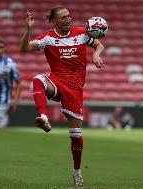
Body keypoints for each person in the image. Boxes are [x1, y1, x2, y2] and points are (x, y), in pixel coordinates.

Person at [20, 7, 105, 187]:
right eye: (64, 17)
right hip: (57, 81)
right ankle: (43, 116)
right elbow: (25, 48)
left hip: (75, 88)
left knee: (75, 135)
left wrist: (96, 55)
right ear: (55, 20)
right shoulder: (48, 37)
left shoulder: (82, 33)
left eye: (69, 16)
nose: (68, 19)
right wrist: (28, 30)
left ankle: (76, 172)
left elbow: (99, 44)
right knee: (37, 79)